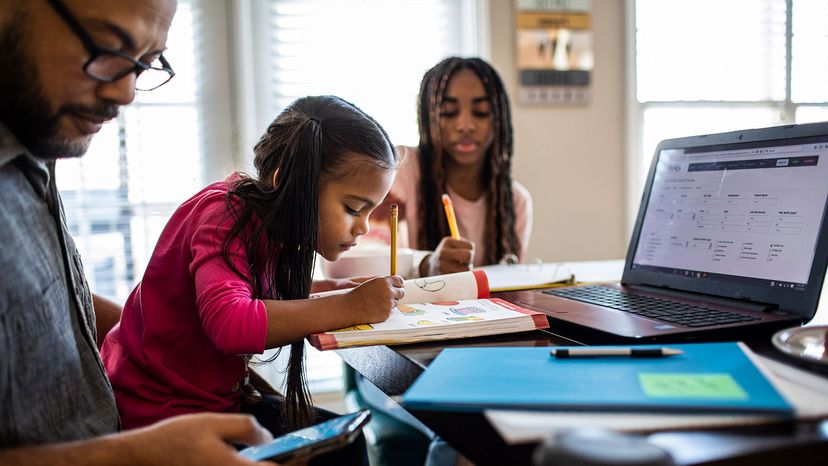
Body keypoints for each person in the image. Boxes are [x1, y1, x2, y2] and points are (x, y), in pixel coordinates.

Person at [0, 0, 282, 464]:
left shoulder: (35, 140)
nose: (127, 93)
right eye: (110, 47)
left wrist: (187, 363)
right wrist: (134, 455)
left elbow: (40, 311)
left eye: (147, 64)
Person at [100, 95, 402, 465]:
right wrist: (347, 307)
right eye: (353, 208)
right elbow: (231, 323)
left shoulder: (267, 226)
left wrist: (333, 292)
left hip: (213, 404)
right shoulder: (222, 215)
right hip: (156, 418)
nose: (363, 227)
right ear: (284, 182)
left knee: (345, 444)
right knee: (338, 453)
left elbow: (258, 289)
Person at [379, 56, 533, 278]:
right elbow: (358, 262)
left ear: (498, 119)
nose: (465, 125)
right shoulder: (398, 170)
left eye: (480, 112)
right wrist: (426, 264)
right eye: (449, 112)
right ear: (427, 116)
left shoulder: (515, 201)